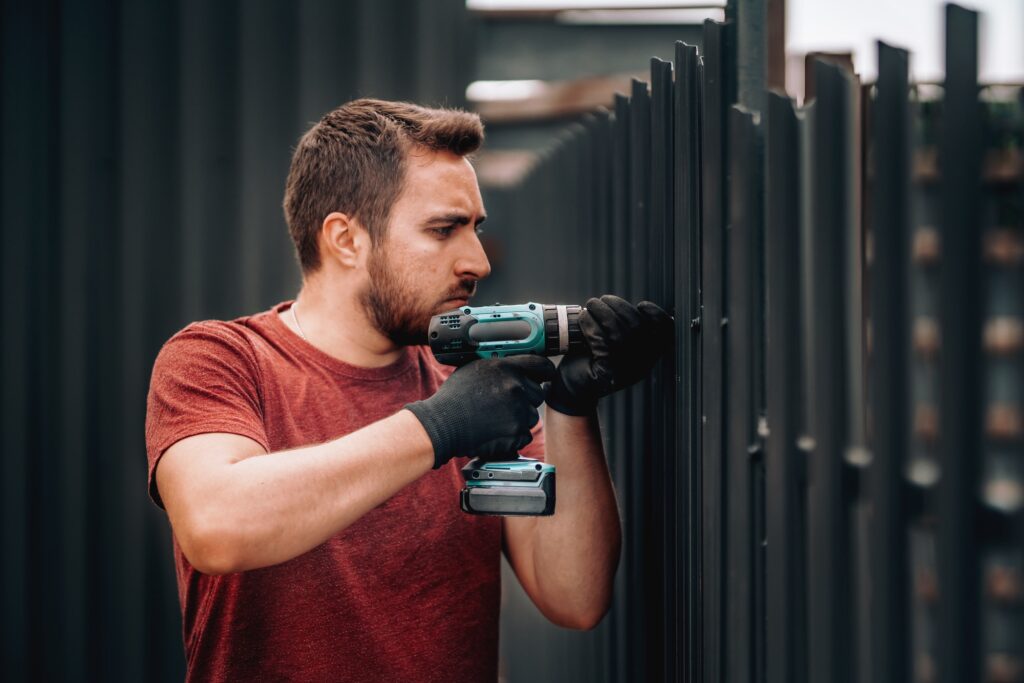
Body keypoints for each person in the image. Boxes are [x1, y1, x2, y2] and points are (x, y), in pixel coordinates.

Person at [145, 98, 672, 682]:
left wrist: (572, 408)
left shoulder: (469, 381)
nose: (476, 261)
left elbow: (573, 596)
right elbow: (218, 526)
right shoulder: (222, 359)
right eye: (443, 230)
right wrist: (437, 427)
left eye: (474, 228)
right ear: (346, 239)